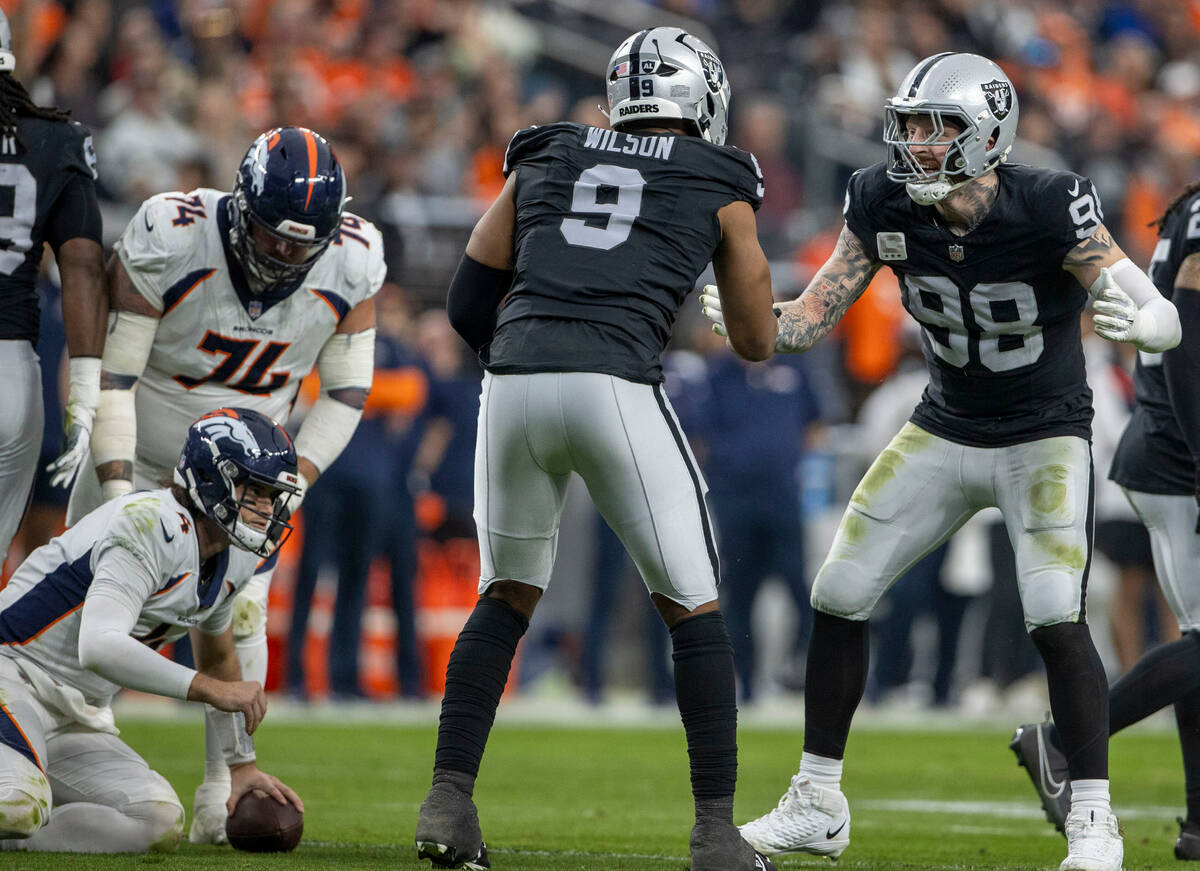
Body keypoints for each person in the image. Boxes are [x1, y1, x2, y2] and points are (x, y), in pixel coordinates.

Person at [702, 52, 1181, 871]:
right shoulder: (881, 199)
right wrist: (755, 316)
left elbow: (1156, 308)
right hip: (946, 424)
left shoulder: (1047, 203)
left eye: (939, 128)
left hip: (1042, 432)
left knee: (1052, 615)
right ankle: (818, 799)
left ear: (988, 133)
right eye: (911, 125)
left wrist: (1150, 329)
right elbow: (811, 318)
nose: (918, 144)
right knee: (840, 591)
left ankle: (1093, 818)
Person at [414, 26, 779, 871]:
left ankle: (448, 800)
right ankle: (718, 832)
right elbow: (757, 340)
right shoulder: (722, 174)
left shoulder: (548, 148)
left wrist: (537, 339)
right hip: (615, 380)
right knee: (693, 604)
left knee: (504, 594)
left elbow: (468, 298)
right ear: (704, 98)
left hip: (512, 380)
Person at [67, 125, 384, 843]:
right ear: (240, 207)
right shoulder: (172, 233)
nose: (286, 254)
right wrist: (120, 494)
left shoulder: (354, 258)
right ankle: (57, 742)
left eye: (305, 243)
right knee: (91, 613)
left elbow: (346, 392)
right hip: (144, 458)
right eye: (273, 235)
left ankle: (225, 780)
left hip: (247, 484)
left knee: (239, 617)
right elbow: (115, 379)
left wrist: (294, 480)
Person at [0, 408, 302, 851]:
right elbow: (100, 647)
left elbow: (217, 657)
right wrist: (204, 689)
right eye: (253, 490)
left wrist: (241, 767)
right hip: (13, 676)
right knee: (16, 803)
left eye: (271, 495)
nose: (265, 509)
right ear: (210, 478)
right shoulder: (148, 523)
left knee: (157, 820)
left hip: (76, 713)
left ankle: (16, 843)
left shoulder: (233, 553)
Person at [1011, 176, 1200, 860]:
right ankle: (1064, 739)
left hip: (1169, 446)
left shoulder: (1189, 211)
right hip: (1179, 452)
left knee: (1198, 640)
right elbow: (1187, 342)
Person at [0, 7, 107, 570]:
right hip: (20, 392)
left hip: (31, 399)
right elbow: (84, 265)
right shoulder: (55, 140)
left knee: (36, 548)